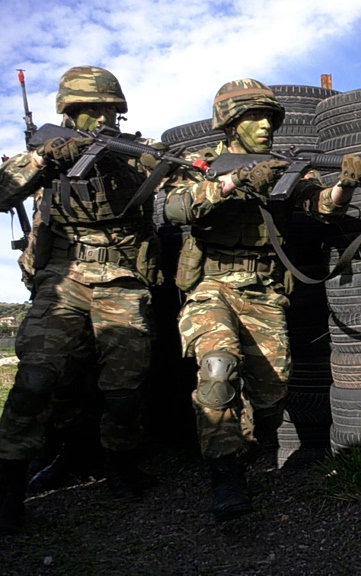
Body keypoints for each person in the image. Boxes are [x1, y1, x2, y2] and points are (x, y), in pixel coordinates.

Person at [161, 79, 361, 522]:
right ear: (229, 123)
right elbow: (177, 208)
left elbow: (322, 206)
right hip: (211, 287)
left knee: (272, 393)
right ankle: (226, 478)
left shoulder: (286, 166)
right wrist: (235, 179)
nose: (263, 125)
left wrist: (347, 184)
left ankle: (241, 452)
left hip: (264, 291)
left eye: (268, 117)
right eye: (252, 117)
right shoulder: (198, 166)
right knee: (218, 369)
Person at [0, 65, 160, 533]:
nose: (101, 118)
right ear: (68, 114)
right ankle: (9, 489)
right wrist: (44, 159)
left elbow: (180, 191)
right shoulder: (45, 152)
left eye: (108, 110)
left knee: (124, 387)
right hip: (62, 276)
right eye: (90, 110)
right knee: (34, 381)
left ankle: (120, 466)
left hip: (122, 279)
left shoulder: (133, 153)